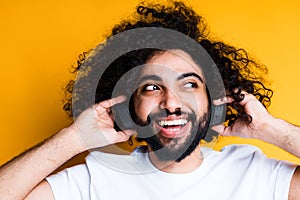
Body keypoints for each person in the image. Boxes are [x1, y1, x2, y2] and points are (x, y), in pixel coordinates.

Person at [0, 1, 299, 199]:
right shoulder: (96, 179)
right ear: (129, 103)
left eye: (190, 84)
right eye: (153, 87)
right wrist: (74, 139)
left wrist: (271, 130)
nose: (172, 102)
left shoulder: (254, 173)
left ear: (214, 100)